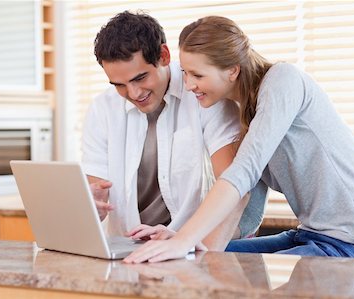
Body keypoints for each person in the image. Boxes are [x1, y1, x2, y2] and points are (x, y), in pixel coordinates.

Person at [124, 15, 354, 262]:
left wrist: (183, 240)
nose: (188, 85)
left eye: (197, 75)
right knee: (196, 261)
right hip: (309, 235)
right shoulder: (242, 112)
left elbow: (241, 174)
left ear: (232, 70)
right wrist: (184, 240)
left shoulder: (283, 80)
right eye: (185, 74)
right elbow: (249, 212)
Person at [82, 11, 267, 249]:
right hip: (128, 251)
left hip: (192, 246)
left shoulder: (204, 94)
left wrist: (199, 251)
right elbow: (98, 196)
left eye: (140, 78)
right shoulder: (102, 109)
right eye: (119, 85)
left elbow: (235, 186)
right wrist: (92, 208)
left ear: (164, 56)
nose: (134, 94)